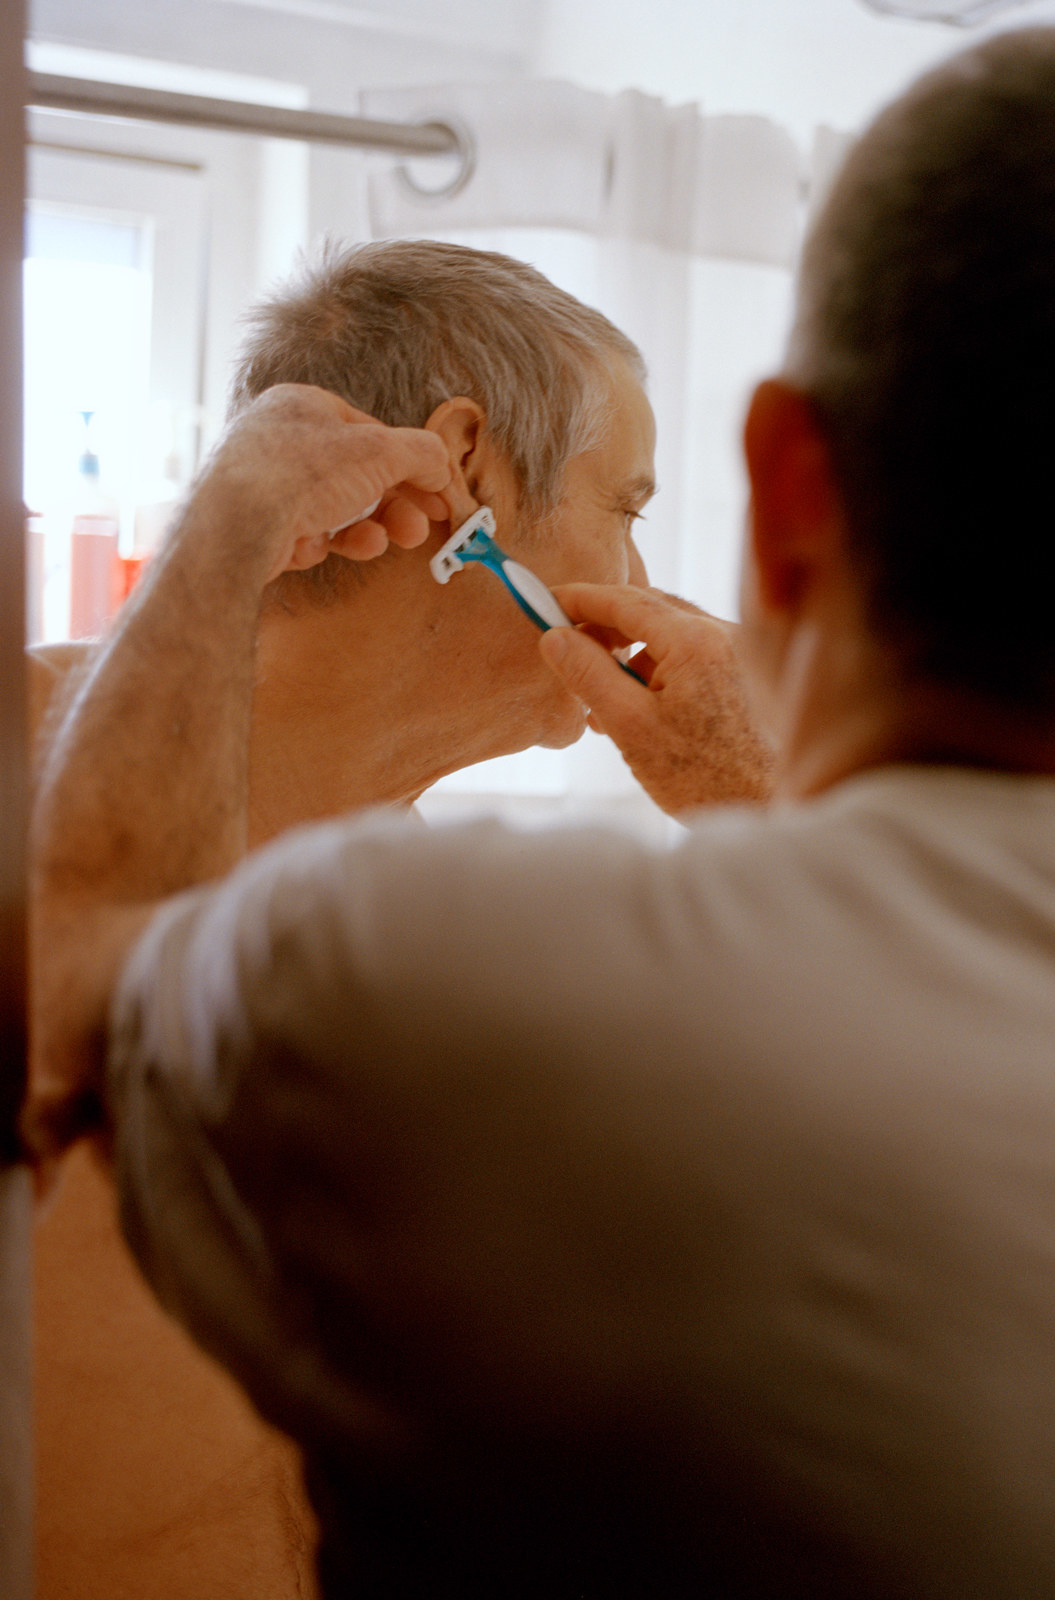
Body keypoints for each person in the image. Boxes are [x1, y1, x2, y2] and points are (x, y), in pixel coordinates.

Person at [28, 26, 1055, 1598]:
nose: (642, 577)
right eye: (629, 506)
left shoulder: (434, 967)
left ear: (787, 493)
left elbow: (84, 971)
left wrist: (227, 522)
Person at [29, 239, 769, 1600]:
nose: (646, 571)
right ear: (470, 466)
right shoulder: (23, 747)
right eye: (626, 503)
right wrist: (229, 520)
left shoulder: (422, 918)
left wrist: (755, 803)